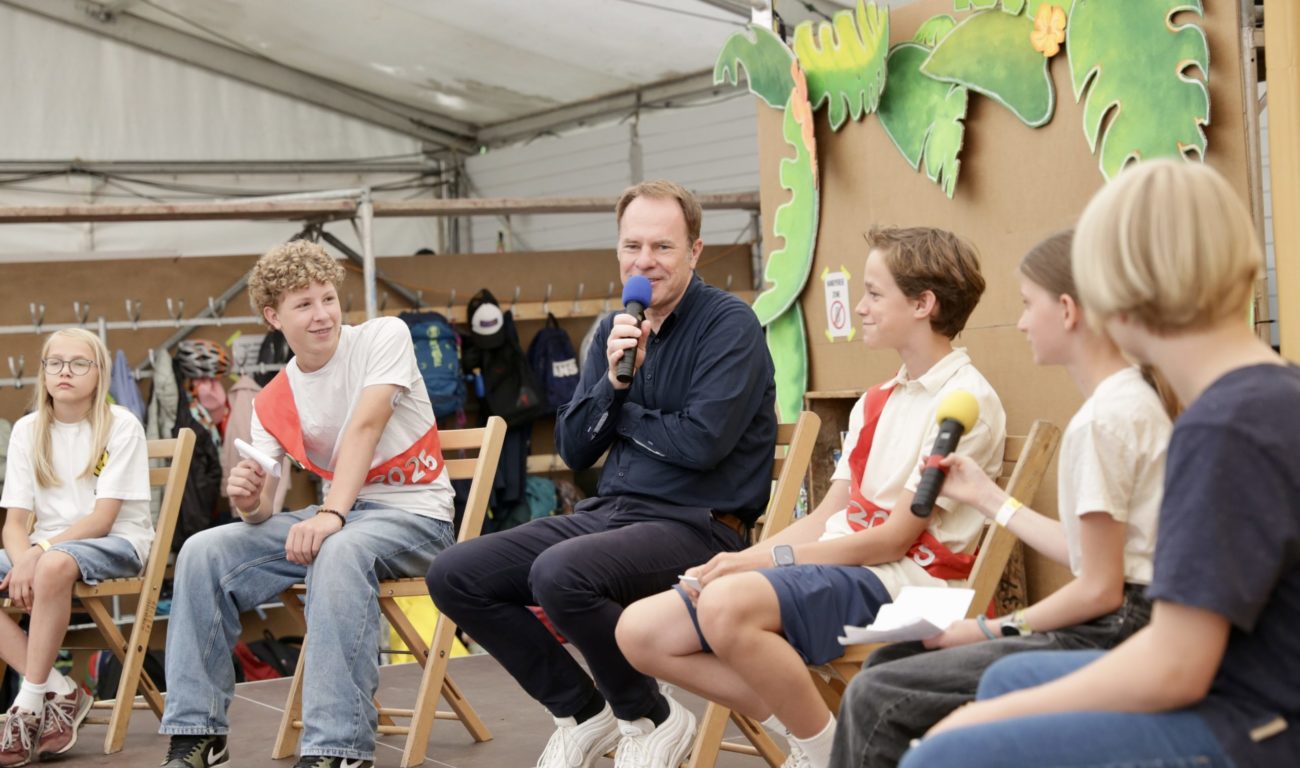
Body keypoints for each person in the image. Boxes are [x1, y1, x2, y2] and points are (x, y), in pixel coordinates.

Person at [899, 159, 1299, 768]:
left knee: (943, 754)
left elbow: (1176, 668)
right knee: (1007, 684)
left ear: (1122, 293)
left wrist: (977, 721)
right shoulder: (1269, 393)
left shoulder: (1222, 429)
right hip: (1254, 690)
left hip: (1255, 725)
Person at [616, 226, 1006, 768]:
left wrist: (770, 561)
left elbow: (893, 539)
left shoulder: (964, 401)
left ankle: (826, 752)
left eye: (874, 293)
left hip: (912, 584)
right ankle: (824, 736)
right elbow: (830, 514)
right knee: (640, 630)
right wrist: (740, 559)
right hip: (845, 569)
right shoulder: (878, 400)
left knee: (728, 606)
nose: (861, 307)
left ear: (923, 303)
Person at [426, 180, 777, 768]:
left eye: (662, 247)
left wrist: (622, 412)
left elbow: (699, 443)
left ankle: (650, 716)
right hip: (613, 516)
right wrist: (614, 384)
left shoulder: (729, 326)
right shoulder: (618, 331)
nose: (645, 262)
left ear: (694, 250)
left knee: (560, 573)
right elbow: (574, 448)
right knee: (455, 573)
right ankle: (584, 712)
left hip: (701, 526)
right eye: (632, 246)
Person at [829, 230, 1176, 768]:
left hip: (1122, 629)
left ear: (1066, 311)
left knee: (879, 695)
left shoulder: (1107, 419)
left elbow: (1102, 590)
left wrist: (989, 627)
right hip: (1127, 617)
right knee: (886, 669)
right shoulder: (1123, 403)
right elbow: (1093, 554)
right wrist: (991, 499)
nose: (1018, 323)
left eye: (1026, 304)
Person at [158, 241, 457, 768]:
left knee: (336, 551)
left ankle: (336, 749)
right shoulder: (274, 397)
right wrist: (249, 501)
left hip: (415, 515)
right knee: (204, 551)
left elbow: (365, 426)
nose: (322, 315)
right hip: (341, 519)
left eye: (327, 298)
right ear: (274, 316)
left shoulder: (384, 336)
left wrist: (330, 514)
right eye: (304, 304)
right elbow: (263, 508)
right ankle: (198, 733)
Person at [0, 328, 151, 767]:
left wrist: (36, 553)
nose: (65, 371)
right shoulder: (28, 430)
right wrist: (26, 552)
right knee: (48, 564)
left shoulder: (121, 425)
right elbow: (12, 523)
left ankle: (27, 704)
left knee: (51, 566)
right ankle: (61, 691)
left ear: (99, 372)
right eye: (55, 362)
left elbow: (102, 520)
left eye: (79, 363)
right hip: (46, 549)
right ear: (43, 372)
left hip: (116, 543)